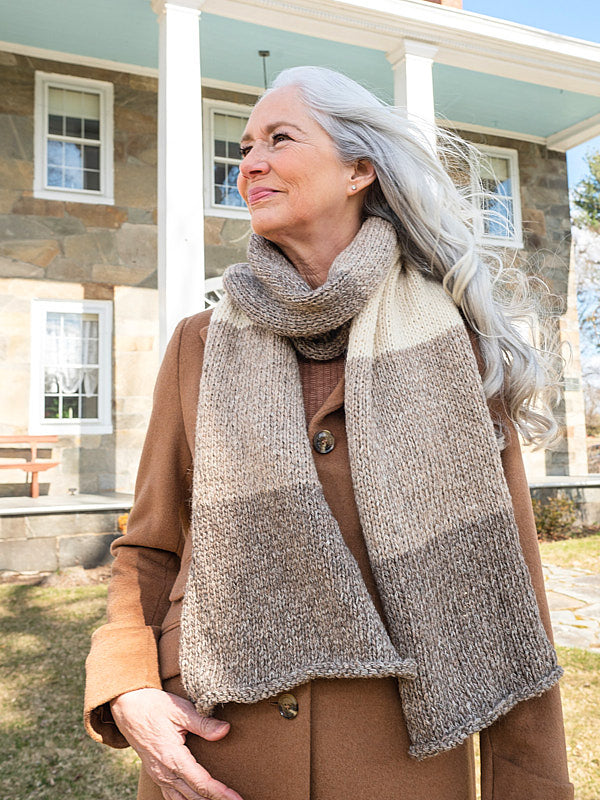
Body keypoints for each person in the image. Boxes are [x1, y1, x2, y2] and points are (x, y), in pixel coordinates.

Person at [84, 66, 574, 800]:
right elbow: (149, 547)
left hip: (402, 759)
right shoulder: (200, 343)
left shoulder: (454, 346)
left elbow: (508, 591)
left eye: (279, 138)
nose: (249, 162)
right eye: (245, 145)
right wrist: (128, 688)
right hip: (218, 753)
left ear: (359, 169)